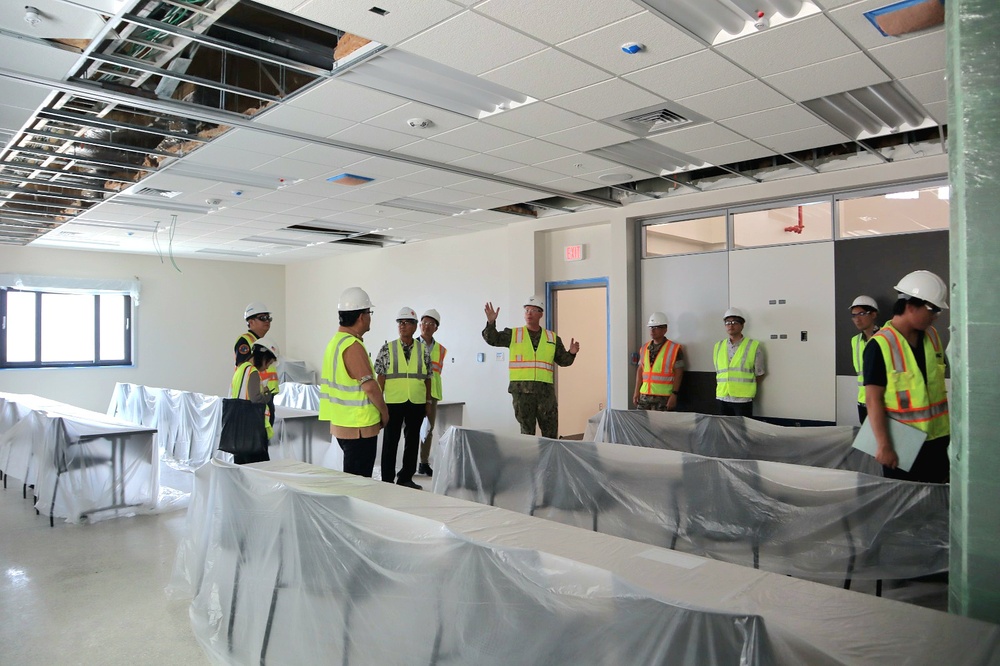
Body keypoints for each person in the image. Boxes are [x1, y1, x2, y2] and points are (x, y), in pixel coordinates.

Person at [863, 270, 950, 483]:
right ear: (911, 306)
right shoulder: (879, 345)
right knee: (906, 508)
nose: (936, 316)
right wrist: (883, 445)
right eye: (933, 310)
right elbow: (873, 400)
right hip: (902, 445)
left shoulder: (932, 336)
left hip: (938, 442)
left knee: (936, 505)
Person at [483, 295, 580, 439]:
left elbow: (563, 361)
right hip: (522, 393)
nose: (529, 313)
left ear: (541, 314)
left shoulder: (552, 338)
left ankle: (550, 460)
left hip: (545, 394)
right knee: (527, 434)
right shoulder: (514, 334)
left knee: (550, 432)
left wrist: (571, 353)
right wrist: (491, 322)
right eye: (527, 310)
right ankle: (530, 461)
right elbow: (492, 339)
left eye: (533, 310)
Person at [319, 287, 389, 478]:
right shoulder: (352, 346)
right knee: (359, 481)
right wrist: (384, 412)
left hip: (343, 423)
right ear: (361, 317)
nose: (370, 317)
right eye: (369, 312)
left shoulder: (335, 342)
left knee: (351, 477)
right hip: (359, 426)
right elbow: (370, 388)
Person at [375, 307, 432, 490]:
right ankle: (387, 478)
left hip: (416, 402)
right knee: (390, 441)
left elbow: (428, 377)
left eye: (406, 322)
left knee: (413, 441)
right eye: (400, 323)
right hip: (393, 402)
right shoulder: (387, 349)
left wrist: (428, 402)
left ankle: (406, 477)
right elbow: (381, 377)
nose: (402, 326)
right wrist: (378, 404)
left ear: (415, 326)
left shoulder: (423, 350)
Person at [230, 336, 278, 464]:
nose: (267, 367)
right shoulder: (252, 371)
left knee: (242, 469)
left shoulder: (240, 369)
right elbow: (255, 398)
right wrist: (267, 395)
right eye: (268, 363)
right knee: (259, 467)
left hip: (238, 428)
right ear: (264, 357)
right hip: (250, 430)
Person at [714, 307, 765, 417]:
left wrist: (745, 389)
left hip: (742, 399)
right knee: (725, 430)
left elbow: (759, 373)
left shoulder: (753, 346)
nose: (730, 325)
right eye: (727, 323)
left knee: (741, 431)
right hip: (722, 397)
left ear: (742, 325)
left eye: (734, 322)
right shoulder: (718, 346)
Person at [633, 311, 684, 411]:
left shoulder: (674, 349)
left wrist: (674, 394)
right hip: (645, 396)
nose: (652, 330)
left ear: (665, 329)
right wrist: (636, 391)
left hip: (663, 398)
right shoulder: (644, 348)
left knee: (661, 426)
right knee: (641, 424)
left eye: (656, 327)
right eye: (651, 327)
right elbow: (640, 370)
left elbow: (679, 373)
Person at [417, 308, 445, 477]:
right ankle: (408, 463)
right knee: (413, 429)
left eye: (431, 324)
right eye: (424, 323)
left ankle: (424, 462)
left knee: (428, 429)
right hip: (415, 393)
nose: (426, 326)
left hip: (432, 394)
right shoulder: (412, 345)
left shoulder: (441, 349)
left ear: (436, 327)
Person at [849, 295, 880, 423]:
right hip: (863, 401)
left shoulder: (885, 337)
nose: (857, 319)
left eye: (861, 314)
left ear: (873, 314)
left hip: (883, 401)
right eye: (854, 315)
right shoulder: (855, 341)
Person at [235, 302, 271, 366]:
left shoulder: (264, 343)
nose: (267, 321)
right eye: (262, 318)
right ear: (251, 322)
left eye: (268, 318)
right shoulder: (244, 340)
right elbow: (243, 367)